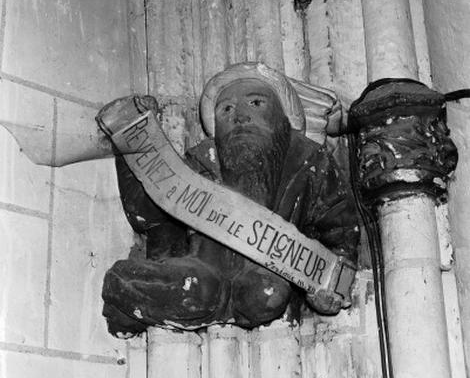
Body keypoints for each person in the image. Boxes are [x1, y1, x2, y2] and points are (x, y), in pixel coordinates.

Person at [101, 62, 359, 337]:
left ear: (285, 117)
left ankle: (205, 300)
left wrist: (331, 286)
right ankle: (196, 299)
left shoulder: (310, 162)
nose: (240, 117)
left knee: (265, 292)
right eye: (226, 110)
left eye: (256, 103)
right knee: (191, 286)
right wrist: (136, 144)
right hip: (199, 269)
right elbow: (154, 217)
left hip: (269, 277)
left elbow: (339, 227)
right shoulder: (201, 161)